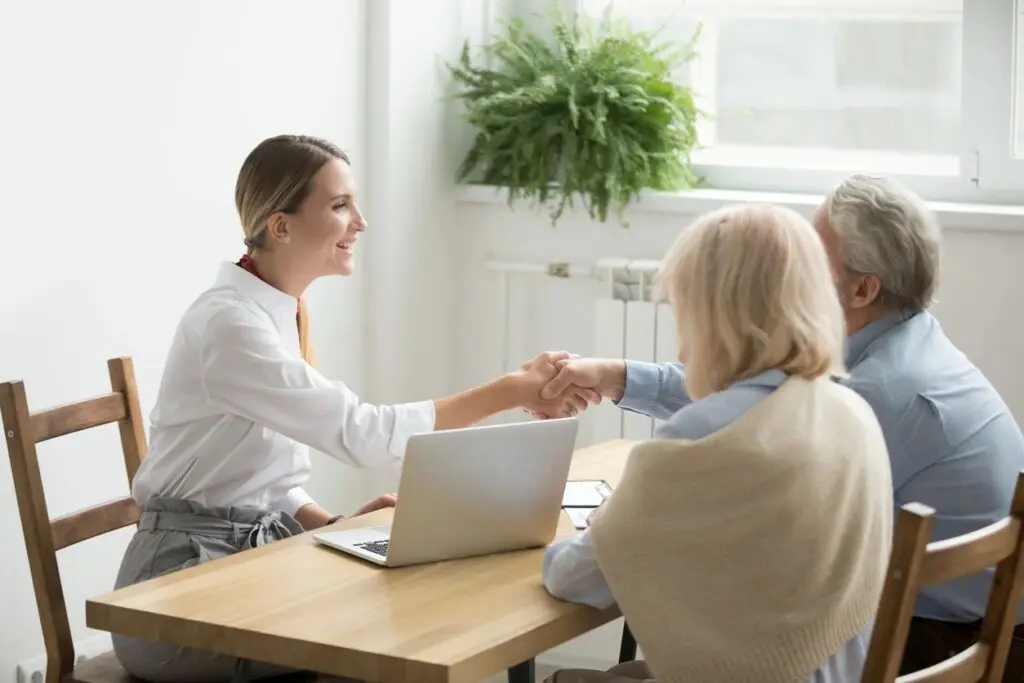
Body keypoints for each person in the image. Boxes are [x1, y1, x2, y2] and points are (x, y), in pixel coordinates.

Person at [111, 134, 597, 683]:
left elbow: (256, 478)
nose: (360, 222)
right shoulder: (230, 326)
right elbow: (361, 435)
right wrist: (511, 390)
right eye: (340, 205)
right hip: (178, 595)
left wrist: (333, 523)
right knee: (393, 644)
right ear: (282, 226)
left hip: (246, 564)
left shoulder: (273, 312)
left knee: (414, 615)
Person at [542, 175, 1024, 681]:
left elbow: (746, 421)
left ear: (863, 288)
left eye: (814, 259)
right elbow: (759, 406)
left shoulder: (873, 392)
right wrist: (622, 378)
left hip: (937, 640)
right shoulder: (895, 362)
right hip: (939, 629)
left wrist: (628, 525)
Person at [541, 204, 894, 683]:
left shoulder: (699, 440)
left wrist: (589, 529)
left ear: (715, 316)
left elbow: (574, 580)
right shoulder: (851, 412)